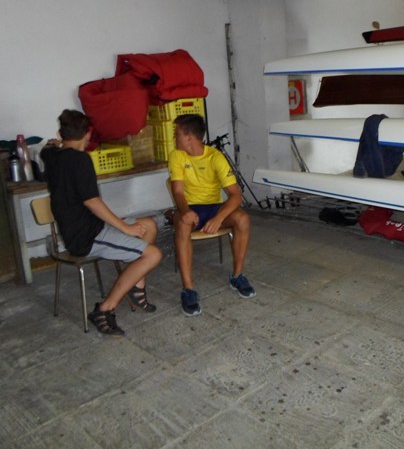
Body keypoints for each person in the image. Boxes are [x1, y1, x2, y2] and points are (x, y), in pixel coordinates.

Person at [41, 109, 162, 336]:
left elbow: (47, 149)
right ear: (88, 134)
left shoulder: (52, 156)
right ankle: (104, 309)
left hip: (88, 226)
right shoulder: (80, 160)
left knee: (149, 225)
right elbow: (93, 202)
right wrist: (125, 228)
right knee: (153, 255)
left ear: (61, 134)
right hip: (86, 237)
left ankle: (136, 288)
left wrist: (54, 144)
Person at [168, 114, 254, 317]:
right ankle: (188, 289)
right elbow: (178, 192)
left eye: (177, 134)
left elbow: (235, 195)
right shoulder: (176, 156)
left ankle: (237, 276)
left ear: (189, 137)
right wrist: (185, 211)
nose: (174, 138)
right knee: (182, 224)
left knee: (242, 219)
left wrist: (219, 218)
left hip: (214, 207)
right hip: (190, 207)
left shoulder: (215, 157)